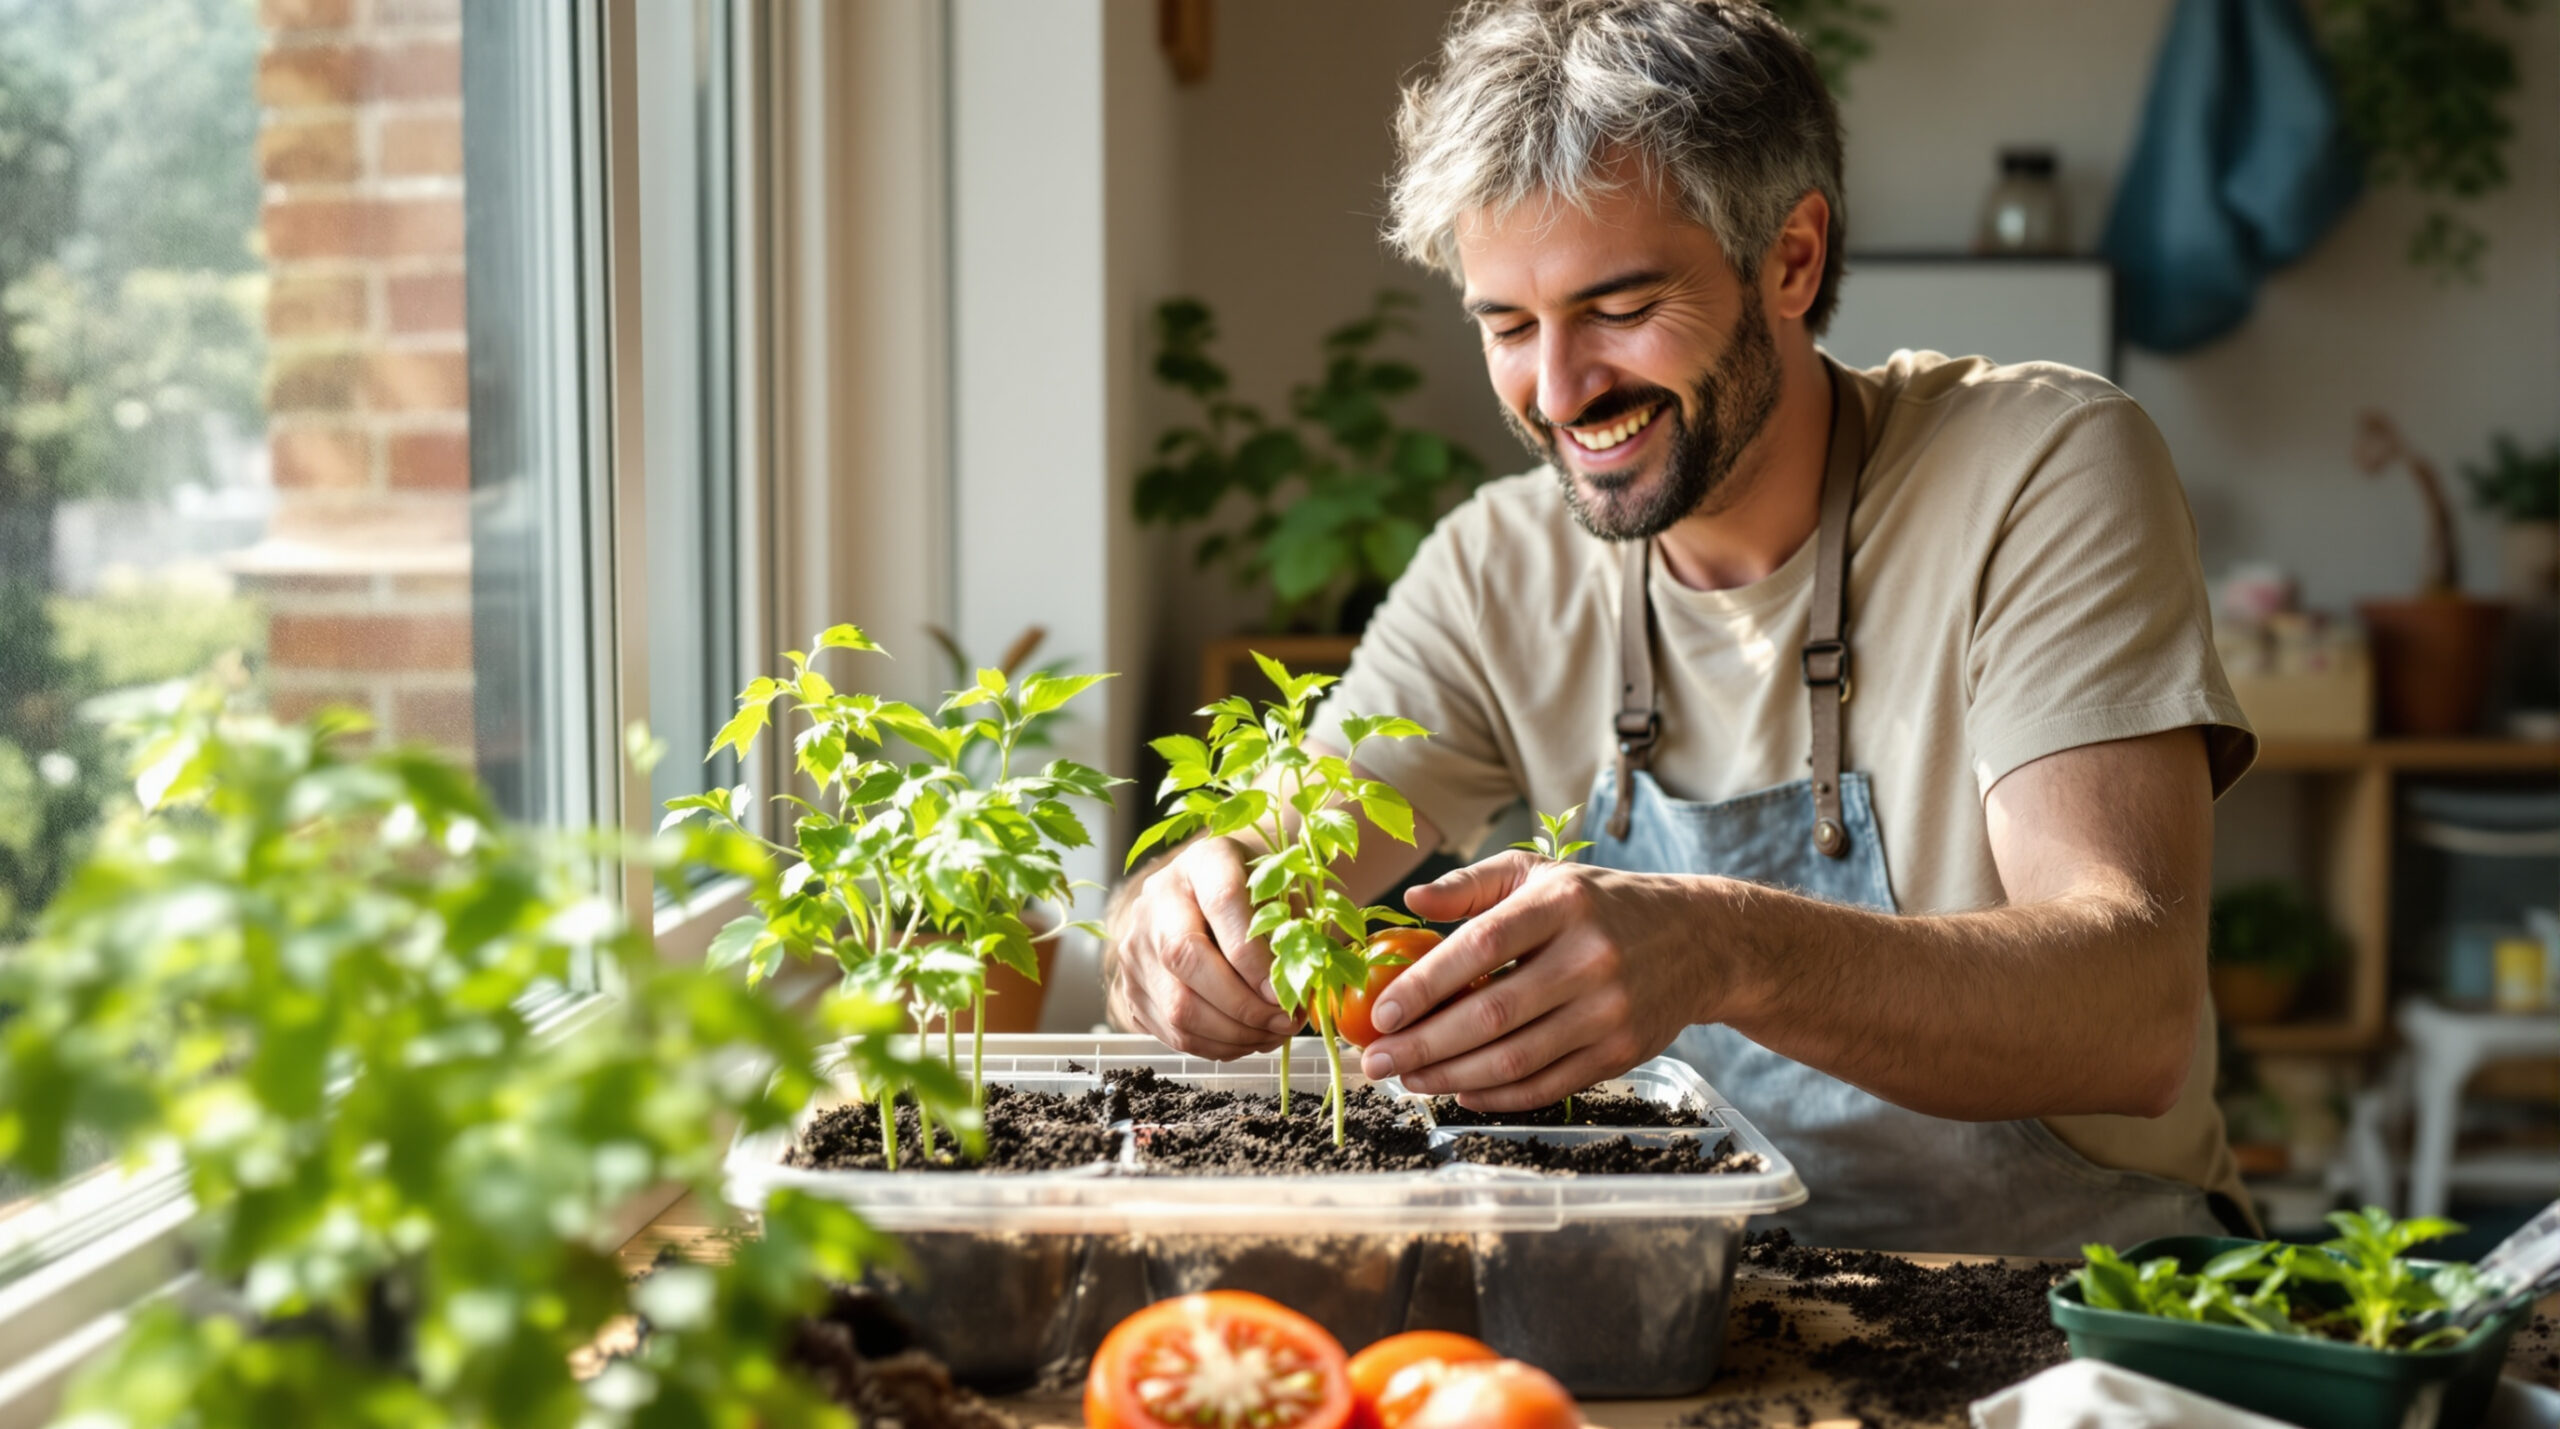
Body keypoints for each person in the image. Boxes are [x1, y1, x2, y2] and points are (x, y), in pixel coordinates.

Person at [1104, 0, 2258, 1256]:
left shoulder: (2038, 469)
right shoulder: (1498, 566)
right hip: (1687, 1295)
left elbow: (2131, 1011)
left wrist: (1724, 949)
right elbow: (1280, 858)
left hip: (2072, 1296)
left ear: (1791, 261)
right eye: (1505, 325)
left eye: (1617, 306)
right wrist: (1167, 925)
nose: (1557, 392)